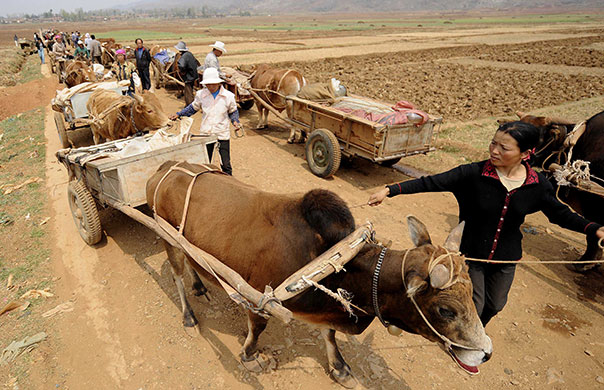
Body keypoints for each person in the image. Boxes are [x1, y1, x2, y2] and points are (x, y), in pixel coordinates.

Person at [368, 121, 604, 367]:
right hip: (471, 258)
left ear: (525, 154)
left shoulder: (537, 185)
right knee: (475, 304)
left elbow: (560, 214)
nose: (494, 151)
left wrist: (593, 228)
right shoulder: (473, 174)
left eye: (504, 147)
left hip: (506, 259)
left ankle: (471, 334)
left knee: (496, 304)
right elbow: (432, 182)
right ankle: (462, 344)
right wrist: (390, 190)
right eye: (493, 143)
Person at [169, 68, 242, 176]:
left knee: (226, 164)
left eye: (213, 84)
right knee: (205, 162)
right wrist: (179, 114)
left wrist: (235, 122)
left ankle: (229, 182)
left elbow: (233, 111)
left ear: (218, 83)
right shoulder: (201, 94)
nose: (211, 87)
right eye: (208, 84)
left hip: (221, 133)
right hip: (206, 133)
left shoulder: (228, 96)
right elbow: (193, 108)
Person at [174, 41, 198, 106]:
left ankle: (190, 105)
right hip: (194, 75)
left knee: (188, 92)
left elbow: (181, 65)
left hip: (189, 76)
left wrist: (182, 72)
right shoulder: (189, 54)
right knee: (190, 89)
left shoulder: (184, 56)